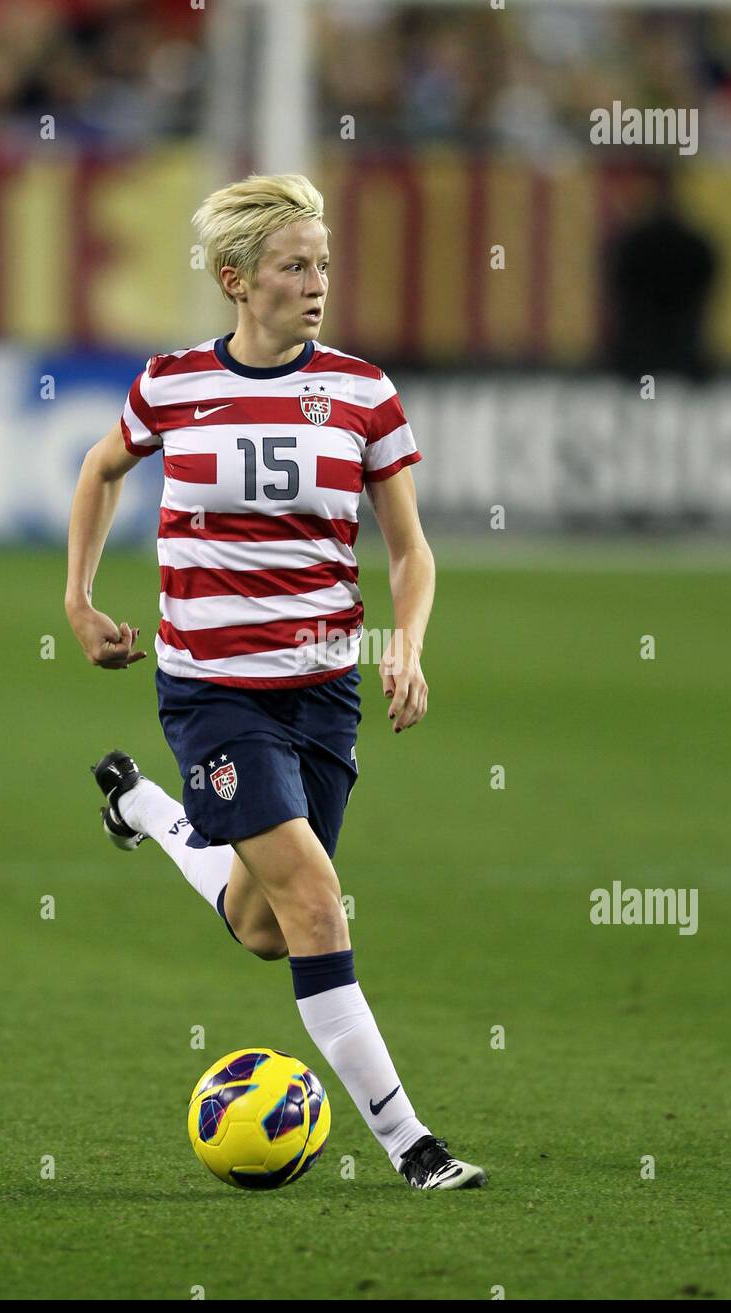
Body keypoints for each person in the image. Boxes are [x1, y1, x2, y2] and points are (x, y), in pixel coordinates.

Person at [65, 172, 486, 1191]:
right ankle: (411, 1146)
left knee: (263, 926)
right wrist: (79, 599)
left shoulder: (360, 391)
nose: (316, 282)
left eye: (323, 264)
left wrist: (409, 643)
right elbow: (101, 468)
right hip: (211, 690)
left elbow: (410, 549)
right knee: (313, 899)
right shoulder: (170, 383)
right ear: (235, 280)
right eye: (295, 266)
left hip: (320, 690)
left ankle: (145, 810)